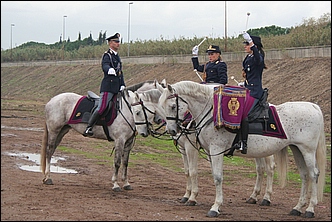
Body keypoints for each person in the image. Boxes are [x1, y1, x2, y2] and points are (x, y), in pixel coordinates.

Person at [83, 32, 126, 137]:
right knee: (102, 108)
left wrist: (122, 84)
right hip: (108, 87)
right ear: (110, 43)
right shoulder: (107, 55)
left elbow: (120, 72)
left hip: (117, 88)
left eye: (118, 42)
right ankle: (89, 127)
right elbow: (104, 65)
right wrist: (109, 69)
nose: (118, 44)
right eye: (116, 42)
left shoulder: (117, 57)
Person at [232, 32, 267, 154]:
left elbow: (258, 59)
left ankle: (244, 143)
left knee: (242, 113)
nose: (245, 46)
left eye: (247, 44)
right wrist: (244, 84)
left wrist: (251, 43)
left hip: (255, 92)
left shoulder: (258, 58)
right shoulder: (248, 58)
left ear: (254, 46)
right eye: (246, 44)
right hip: (247, 89)